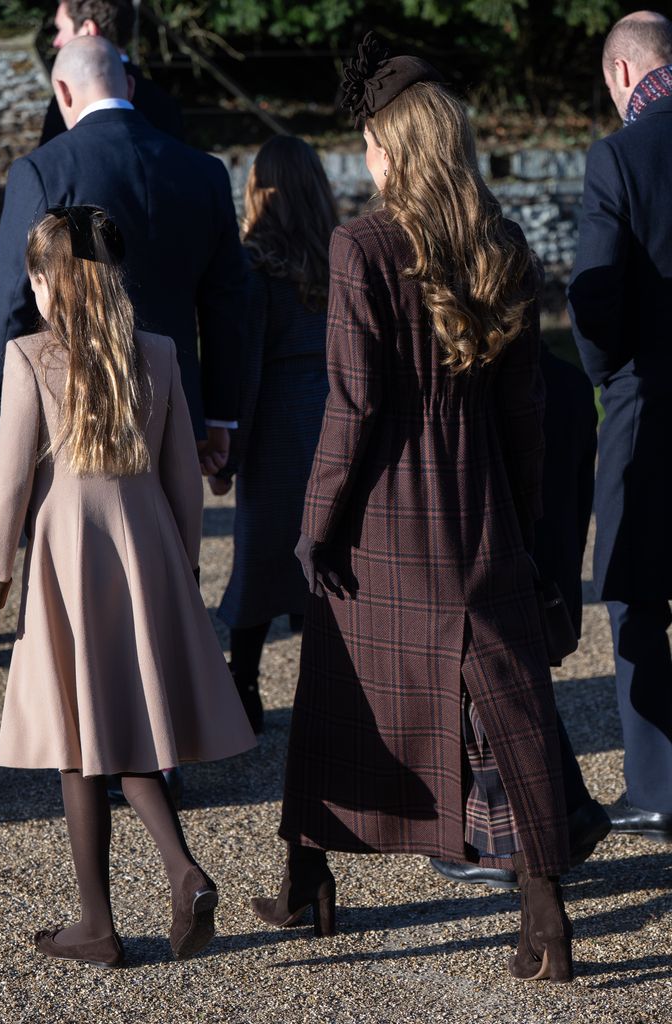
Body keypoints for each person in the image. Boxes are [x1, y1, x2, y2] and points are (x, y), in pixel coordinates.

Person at [252, 34, 574, 983]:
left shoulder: (364, 245)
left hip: (386, 526)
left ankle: (310, 879)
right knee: (503, 718)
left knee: (336, 697)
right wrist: (518, 522)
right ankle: (541, 917)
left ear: (395, 145)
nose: (365, 157)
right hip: (478, 515)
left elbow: (351, 409)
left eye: (371, 140)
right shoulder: (500, 242)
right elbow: (527, 416)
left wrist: (314, 526)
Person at [0, 207, 255, 967]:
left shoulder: (31, 357)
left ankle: (98, 926)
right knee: (124, 727)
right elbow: (184, 482)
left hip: (70, 559)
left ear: (45, 282)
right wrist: (181, 571)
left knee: (79, 734)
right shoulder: (156, 353)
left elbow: (6, 493)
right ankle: (180, 869)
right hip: (148, 553)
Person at [0, 35, 243, 475]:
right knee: (166, 539)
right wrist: (218, 415)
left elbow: (10, 298)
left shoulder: (46, 170)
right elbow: (227, 303)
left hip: (79, 402)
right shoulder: (205, 172)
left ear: (62, 90)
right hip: (177, 405)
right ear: (130, 88)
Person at [428, 338, 611, 891]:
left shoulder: (479, 386)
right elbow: (577, 503)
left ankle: (518, 844)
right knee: (513, 691)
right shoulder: (574, 384)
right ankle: (573, 813)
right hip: (549, 573)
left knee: (493, 693)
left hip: (497, 570)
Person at [568, 10, 672, 843]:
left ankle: (657, 787)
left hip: (648, 398)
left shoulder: (618, 156)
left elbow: (594, 295)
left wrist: (608, 376)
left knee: (636, 595)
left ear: (623, 75)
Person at [211, 136, 337, 733]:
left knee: (260, 555)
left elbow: (249, 363)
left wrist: (228, 451)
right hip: (333, 417)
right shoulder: (343, 254)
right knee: (325, 556)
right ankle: (326, 693)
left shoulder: (253, 264)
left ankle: (244, 686)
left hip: (278, 424)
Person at [40, 0, 185, 145]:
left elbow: (49, 161)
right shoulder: (164, 101)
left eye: (61, 29)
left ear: (88, 29)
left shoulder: (70, 97)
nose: (56, 41)